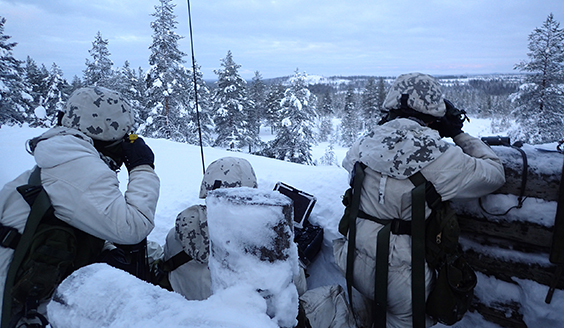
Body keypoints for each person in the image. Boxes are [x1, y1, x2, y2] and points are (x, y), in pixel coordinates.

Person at [332, 73, 506, 328]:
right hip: (403, 276)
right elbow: (494, 174)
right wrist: (458, 133)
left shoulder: (363, 144)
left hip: (353, 260)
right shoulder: (443, 158)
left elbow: (349, 162)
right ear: (435, 113)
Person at [0, 86, 160, 324]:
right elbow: (133, 227)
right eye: (124, 139)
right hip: (22, 310)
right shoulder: (77, 165)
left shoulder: (63, 155)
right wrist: (142, 166)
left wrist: (105, 248)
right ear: (108, 137)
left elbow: (72, 215)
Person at [159, 156, 308, 301]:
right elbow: (298, 288)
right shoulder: (255, 247)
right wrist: (293, 251)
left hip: (187, 315)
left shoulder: (175, 234)